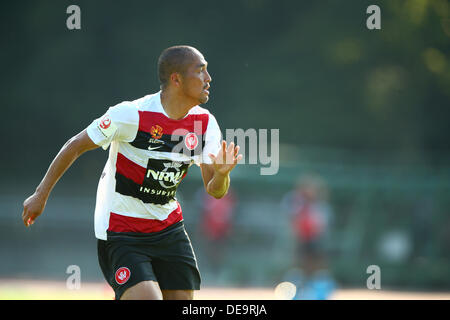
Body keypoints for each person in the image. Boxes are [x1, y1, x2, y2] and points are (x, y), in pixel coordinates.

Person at [21, 45, 242, 300]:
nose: (208, 78)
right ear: (176, 79)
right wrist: (40, 194)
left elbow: (214, 191)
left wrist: (223, 175)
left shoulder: (205, 124)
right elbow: (75, 145)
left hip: (168, 229)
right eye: (201, 70)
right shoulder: (131, 114)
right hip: (121, 230)